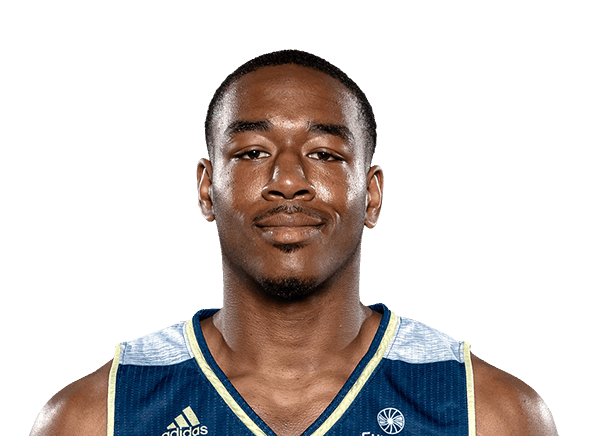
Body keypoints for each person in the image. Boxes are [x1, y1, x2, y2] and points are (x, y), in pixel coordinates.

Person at [31, 49, 558, 436]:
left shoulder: (488, 413)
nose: (288, 180)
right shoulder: (95, 417)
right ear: (206, 190)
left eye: (325, 154)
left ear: (372, 195)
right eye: (252, 152)